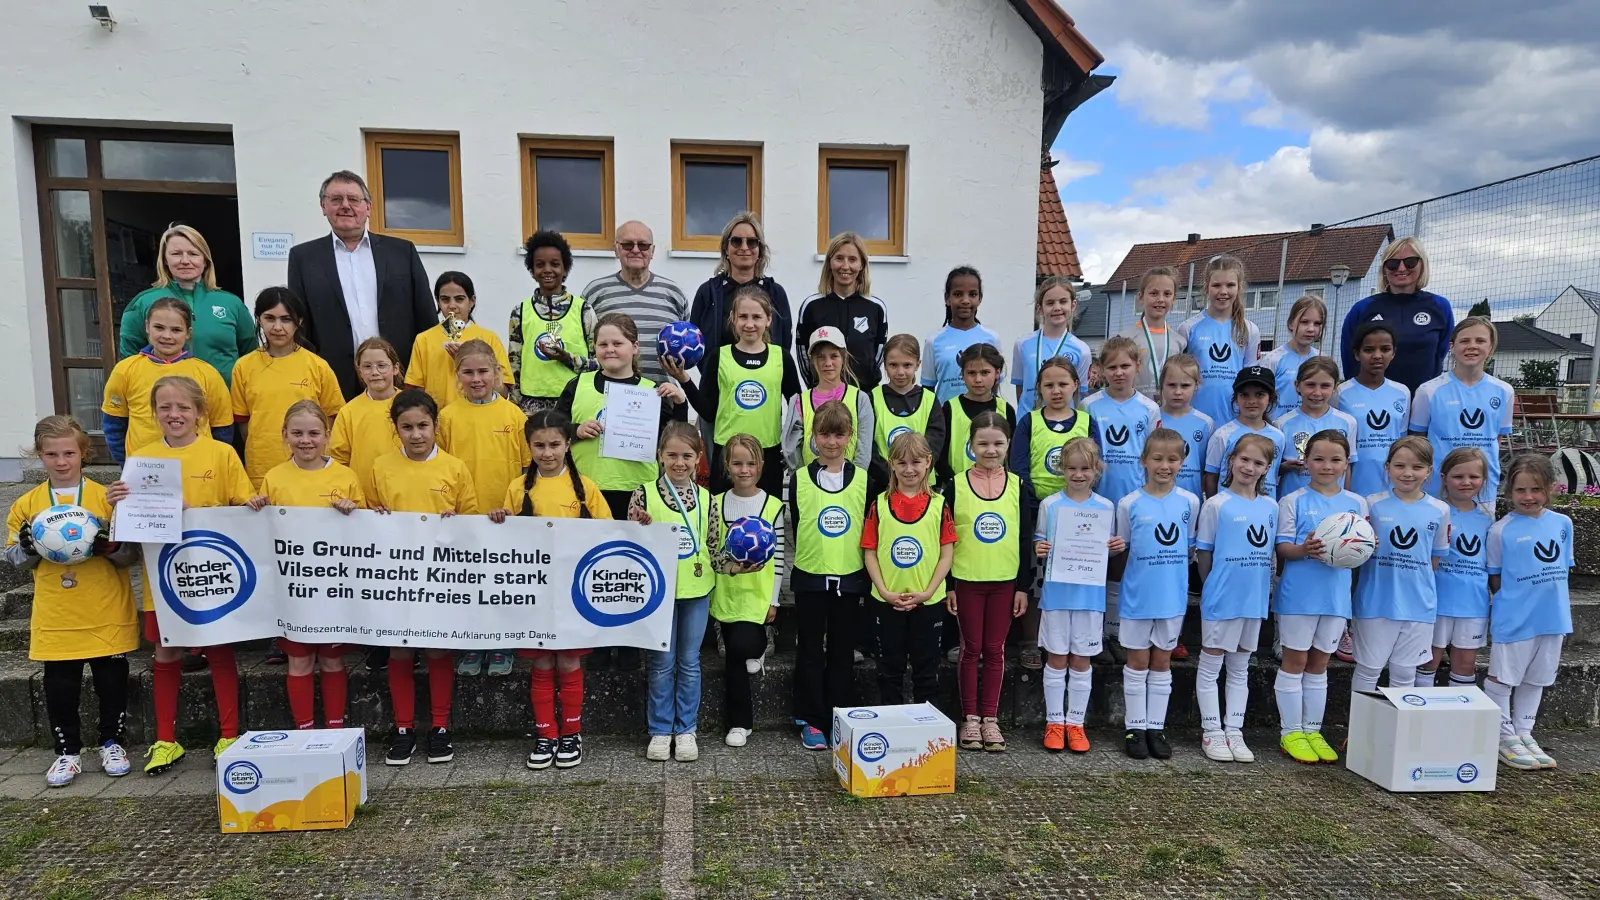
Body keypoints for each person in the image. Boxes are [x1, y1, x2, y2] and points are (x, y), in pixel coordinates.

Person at [105, 375, 253, 773]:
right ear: (154, 413)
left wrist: (238, 507)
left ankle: (229, 735)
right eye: (165, 407)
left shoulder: (221, 454)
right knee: (166, 652)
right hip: (163, 577)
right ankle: (166, 740)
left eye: (183, 407)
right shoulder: (142, 458)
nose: (174, 414)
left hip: (211, 574)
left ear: (200, 413)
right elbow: (130, 522)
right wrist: (116, 503)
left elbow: (242, 508)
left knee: (218, 647)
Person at [8, 416, 139, 786]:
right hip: (57, 613)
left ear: (83, 452)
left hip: (105, 607)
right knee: (61, 686)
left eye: (69, 453)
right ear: (39, 456)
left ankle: (112, 743)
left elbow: (131, 556)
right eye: (52, 454)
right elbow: (13, 559)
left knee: (111, 682)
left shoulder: (107, 498)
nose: (61, 461)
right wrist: (28, 548)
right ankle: (67, 752)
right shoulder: (26, 504)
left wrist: (112, 548)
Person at [488, 410, 611, 770]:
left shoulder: (585, 487)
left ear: (568, 444)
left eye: (554, 444)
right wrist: (499, 520)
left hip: (572, 594)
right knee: (541, 662)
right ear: (528, 446)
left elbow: (608, 533)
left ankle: (571, 733)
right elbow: (505, 541)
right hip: (534, 595)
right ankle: (546, 734)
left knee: (569, 661)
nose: (547, 452)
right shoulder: (518, 488)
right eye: (539, 445)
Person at [367, 389, 478, 766]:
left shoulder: (454, 467)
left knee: (437, 649)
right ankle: (403, 728)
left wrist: (457, 524)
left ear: (435, 425)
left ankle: (440, 727)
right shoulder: (381, 466)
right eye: (407, 427)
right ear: (395, 428)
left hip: (441, 576)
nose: (416, 434)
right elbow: (369, 515)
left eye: (423, 426)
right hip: (396, 575)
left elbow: (471, 519)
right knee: (400, 650)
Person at [246, 401, 363, 730]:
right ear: (285, 435)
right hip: (293, 589)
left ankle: (335, 728)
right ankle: (304, 729)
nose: (306, 440)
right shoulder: (274, 477)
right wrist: (257, 508)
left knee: (331, 658)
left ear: (327, 435)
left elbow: (366, 532)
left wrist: (352, 511)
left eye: (314, 433)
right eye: (297, 433)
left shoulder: (345, 476)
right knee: (299, 660)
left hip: (333, 587)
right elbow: (265, 531)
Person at [288, 171, 437, 400]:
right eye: (336, 199)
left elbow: (426, 316)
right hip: (332, 379)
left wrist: (424, 373)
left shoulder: (402, 252)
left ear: (368, 207)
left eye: (353, 199)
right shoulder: (303, 258)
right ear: (323, 206)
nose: (345, 206)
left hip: (399, 376)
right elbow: (300, 325)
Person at [789, 400, 881, 749]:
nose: (831, 442)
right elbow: (799, 525)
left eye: (839, 435)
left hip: (850, 578)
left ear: (850, 436)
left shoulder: (864, 480)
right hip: (810, 577)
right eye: (824, 434)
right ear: (814, 436)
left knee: (842, 651)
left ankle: (839, 715)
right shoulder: (799, 478)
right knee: (810, 650)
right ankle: (811, 719)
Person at [629, 422, 722, 763]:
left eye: (686, 456)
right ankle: (659, 730)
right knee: (662, 663)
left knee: (690, 662)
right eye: (672, 455)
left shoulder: (707, 498)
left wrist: (738, 565)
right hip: (659, 593)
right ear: (660, 456)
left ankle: (686, 730)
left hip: (696, 589)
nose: (679, 462)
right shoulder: (643, 494)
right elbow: (631, 544)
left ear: (698, 457)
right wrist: (638, 525)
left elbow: (714, 547)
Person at [437, 340, 530, 677]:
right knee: (468, 584)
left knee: (501, 584)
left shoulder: (513, 414)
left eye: (483, 371)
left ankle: (502, 644)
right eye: (468, 372)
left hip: (504, 515)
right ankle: (473, 644)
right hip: (464, 516)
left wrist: (517, 508)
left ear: (497, 373)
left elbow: (526, 467)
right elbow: (439, 466)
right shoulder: (447, 417)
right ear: (457, 375)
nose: (476, 379)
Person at [1273, 430, 1365, 764]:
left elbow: (1361, 546)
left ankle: (1313, 730)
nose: (1327, 466)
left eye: (1335, 459)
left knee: (1319, 664)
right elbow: (1282, 548)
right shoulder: (1293, 500)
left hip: (1336, 597)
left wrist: (1365, 547)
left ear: (1346, 463)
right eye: (1319, 459)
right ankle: (1290, 732)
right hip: (1299, 596)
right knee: (1295, 661)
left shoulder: (1357, 503)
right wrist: (1304, 549)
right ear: (1306, 462)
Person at [947, 413, 1035, 752]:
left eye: (998, 443)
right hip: (968, 579)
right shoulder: (956, 484)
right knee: (971, 649)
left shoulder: (1018, 486)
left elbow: (1025, 538)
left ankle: (990, 718)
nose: (990, 450)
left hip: (1004, 581)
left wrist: (1023, 587)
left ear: (1008, 444)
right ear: (971, 445)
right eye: (982, 443)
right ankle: (969, 717)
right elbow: (946, 539)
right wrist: (950, 585)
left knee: (995, 650)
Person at [1033, 437, 1124, 753]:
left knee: (1082, 660)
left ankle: (1076, 723)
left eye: (1085, 468)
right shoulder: (1050, 505)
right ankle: (1054, 722)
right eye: (1071, 468)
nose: (1078, 474)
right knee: (1057, 659)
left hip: (1089, 597)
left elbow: (1105, 551)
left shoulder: (1105, 507)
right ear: (1062, 469)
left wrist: (1115, 548)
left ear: (1097, 469)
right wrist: (1040, 548)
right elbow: (1040, 541)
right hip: (1058, 595)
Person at [1114, 428, 1199, 760]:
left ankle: (1156, 728)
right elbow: (1123, 546)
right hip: (1138, 597)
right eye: (1158, 459)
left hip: (1172, 598)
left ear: (1182, 462)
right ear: (1144, 460)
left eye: (1173, 460)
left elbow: (1189, 548)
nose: (1165, 466)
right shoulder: (1129, 504)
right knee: (1137, 662)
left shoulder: (1190, 502)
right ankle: (1134, 728)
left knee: (1162, 662)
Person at [1484, 453, 1572, 771]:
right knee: (1503, 677)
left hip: (1552, 616)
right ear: (1509, 491)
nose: (1528, 497)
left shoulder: (1563, 524)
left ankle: (1524, 732)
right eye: (1520, 490)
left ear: (1551, 488)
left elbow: (1563, 569)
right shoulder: (1500, 531)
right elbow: (1496, 577)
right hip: (1515, 618)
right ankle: (1502, 736)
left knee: (1537, 678)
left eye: (1536, 489)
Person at [1194, 433, 1277, 764]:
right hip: (1222, 598)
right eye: (1244, 459)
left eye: (1258, 463)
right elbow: (1204, 553)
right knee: (1211, 666)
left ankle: (1234, 730)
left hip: (1253, 600)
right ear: (1231, 460)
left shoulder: (1271, 507)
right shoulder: (1216, 505)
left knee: (1240, 668)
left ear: (1267, 468)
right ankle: (1211, 731)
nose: (1249, 467)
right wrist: (1212, 586)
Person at [1009, 356, 1096, 672]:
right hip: (1038, 512)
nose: (1056, 390)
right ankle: (1031, 641)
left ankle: (1072, 641)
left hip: (1076, 513)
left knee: (1071, 576)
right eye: (1049, 385)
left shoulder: (1087, 421)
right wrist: (1039, 503)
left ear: (1076, 385)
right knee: (1036, 578)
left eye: (1063, 384)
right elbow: (1019, 468)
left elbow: (1095, 464)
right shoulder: (1029, 422)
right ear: (1039, 388)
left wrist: (1076, 502)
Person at [670, 285, 799, 496]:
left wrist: (791, 447)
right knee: (723, 514)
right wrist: (684, 379)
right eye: (743, 317)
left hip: (767, 454)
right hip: (727, 455)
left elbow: (797, 408)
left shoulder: (782, 358)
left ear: (768, 320)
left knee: (768, 514)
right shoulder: (719, 357)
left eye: (756, 317)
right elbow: (708, 412)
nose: (749, 324)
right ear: (733, 319)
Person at [1351, 437, 1450, 698]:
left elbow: (1434, 559)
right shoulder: (1371, 504)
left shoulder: (1440, 510)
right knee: (1368, 670)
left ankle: (1399, 725)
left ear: (1429, 471)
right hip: (1375, 602)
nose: (1408, 473)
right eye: (1400, 466)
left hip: (1418, 605)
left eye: (1417, 467)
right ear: (1387, 467)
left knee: (1405, 674)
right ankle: (1361, 725)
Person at [564, 312, 689, 519]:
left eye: (617, 343)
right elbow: (553, 430)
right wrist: (576, 430)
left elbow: (673, 441)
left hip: (637, 491)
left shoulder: (653, 391)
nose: (610, 349)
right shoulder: (578, 385)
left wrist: (680, 404)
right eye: (603, 344)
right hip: (586, 489)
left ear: (635, 347)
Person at [863, 433, 954, 710]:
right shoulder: (879, 504)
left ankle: (926, 728)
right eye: (901, 463)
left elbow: (946, 555)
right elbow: (870, 553)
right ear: (891, 464)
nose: (909, 469)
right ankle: (892, 725)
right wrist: (884, 591)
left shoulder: (939, 504)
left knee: (927, 673)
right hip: (887, 602)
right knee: (889, 673)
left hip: (928, 603)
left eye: (916, 462)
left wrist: (927, 592)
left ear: (928, 462)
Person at [710, 435, 786, 747]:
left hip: (758, 597)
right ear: (727, 465)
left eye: (751, 463)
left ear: (761, 465)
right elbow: (712, 550)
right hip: (727, 595)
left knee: (741, 647)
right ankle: (740, 724)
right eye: (737, 463)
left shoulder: (773, 505)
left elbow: (779, 557)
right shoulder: (715, 503)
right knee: (734, 654)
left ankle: (762, 642)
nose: (744, 470)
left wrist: (774, 600)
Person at [229, 287, 344, 488]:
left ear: (299, 321)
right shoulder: (243, 366)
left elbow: (333, 418)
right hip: (262, 468)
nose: (277, 327)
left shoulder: (317, 366)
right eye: (269, 318)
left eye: (286, 319)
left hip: (310, 467)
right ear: (259, 319)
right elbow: (243, 423)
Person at [117, 224, 254, 385]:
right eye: (176, 254)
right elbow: (130, 360)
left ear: (205, 260)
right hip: (164, 398)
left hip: (223, 397)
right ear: (165, 260)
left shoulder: (232, 303)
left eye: (193, 254)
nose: (185, 261)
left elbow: (251, 357)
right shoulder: (143, 302)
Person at [102, 298, 232, 464]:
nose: (167, 336)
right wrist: (128, 464)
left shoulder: (207, 373)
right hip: (145, 468)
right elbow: (114, 425)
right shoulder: (125, 370)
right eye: (159, 327)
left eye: (176, 330)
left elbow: (222, 428)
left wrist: (214, 464)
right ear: (147, 326)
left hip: (197, 466)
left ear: (188, 333)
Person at [1410, 317, 1513, 503]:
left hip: (1482, 489)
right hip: (1437, 487)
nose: (1472, 346)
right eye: (1465, 341)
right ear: (1452, 347)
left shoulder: (1504, 391)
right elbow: (1418, 439)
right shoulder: (1428, 390)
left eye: (1480, 341)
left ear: (1491, 348)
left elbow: (1497, 438)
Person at [1339, 237, 1454, 394]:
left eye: (1410, 262)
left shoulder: (1440, 307)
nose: (1401, 268)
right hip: (1375, 399)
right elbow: (1349, 357)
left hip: (1423, 399)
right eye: (1393, 263)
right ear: (1384, 269)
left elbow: (1440, 353)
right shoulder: (1363, 309)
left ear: (1422, 264)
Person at [581, 221, 690, 385]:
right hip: (607, 394)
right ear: (616, 249)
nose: (636, 250)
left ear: (652, 251)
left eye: (643, 245)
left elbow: (686, 345)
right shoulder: (595, 292)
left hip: (662, 394)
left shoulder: (674, 293)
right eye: (628, 244)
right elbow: (583, 345)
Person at [1425, 448, 1492, 689]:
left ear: (1483, 479)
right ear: (1444, 478)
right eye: (1458, 476)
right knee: (1428, 660)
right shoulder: (1434, 512)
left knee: (1465, 664)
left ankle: (1459, 710)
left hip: (1473, 602)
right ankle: (1420, 707)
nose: (1466, 482)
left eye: (1473, 476)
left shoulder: (1488, 520)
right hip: (1437, 600)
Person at [689, 212, 793, 368]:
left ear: (760, 250)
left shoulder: (775, 293)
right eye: (736, 241)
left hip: (765, 379)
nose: (744, 247)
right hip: (718, 380)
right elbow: (695, 343)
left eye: (751, 242)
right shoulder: (708, 293)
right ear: (726, 249)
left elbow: (784, 345)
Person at [509, 231, 595, 416]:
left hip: (573, 402)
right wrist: (514, 404)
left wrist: (568, 359)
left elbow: (598, 361)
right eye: (540, 264)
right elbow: (514, 362)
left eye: (555, 264)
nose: (547, 270)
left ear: (565, 269)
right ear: (532, 271)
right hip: (531, 406)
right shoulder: (520, 312)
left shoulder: (583, 310)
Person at [406, 272, 513, 408]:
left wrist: (469, 360)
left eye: (459, 299)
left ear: (472, 301)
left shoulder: (489, 338)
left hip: (479, 413)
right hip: (439, 416)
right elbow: (415, 388)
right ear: (437, 301)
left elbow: (504, 392)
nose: (452, 305)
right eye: (445, 299)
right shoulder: (424, 339)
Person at [1176, 255, 1260, 428]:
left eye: (1230, 285)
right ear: (1206, 287)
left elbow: (1251, 378)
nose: (1223, 291)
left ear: (1239, 287)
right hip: (1195, 419)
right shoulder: (1188, 328)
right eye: (1216, 285)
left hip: (1234, 421)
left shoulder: (1250, 330)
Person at [795, 233, 887, 390]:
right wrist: (815, 387)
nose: (845, 266)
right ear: (829, 263)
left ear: (862, 265)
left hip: (864, 395)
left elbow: (878, 355)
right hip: (824, 397)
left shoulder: (876, 307)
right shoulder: (811, 306)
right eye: (839, 258)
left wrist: (866, 386)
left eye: (852, 259)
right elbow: (803, 354)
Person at [782, 327, 875, 472]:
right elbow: (793, 451)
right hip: (810, 482)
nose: (828, 363)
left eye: (834, 356)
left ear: (843, 357)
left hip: (849, 481)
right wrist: (805, 479)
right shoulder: (799, 401)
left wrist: (852, 480)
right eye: (821, 357)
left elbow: (864, 451)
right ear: (813, 360)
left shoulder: (860, 399)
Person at [1336, 322, 1408, 499]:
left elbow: (1403, 441)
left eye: (1385, 349)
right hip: (1354, 486)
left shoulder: (1402, 392)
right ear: (1357, 354)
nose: (1377, 356)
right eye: (1369, 350)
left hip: (1392, 488)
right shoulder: (1340, 393)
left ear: (1393, 353)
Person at [1084, 337, 1160, 504]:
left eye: (1125, 366)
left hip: (1136, 497)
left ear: (1138, 366)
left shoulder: (1150, 408)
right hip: (1096, 498)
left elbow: (1154, 454)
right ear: (1102, 369)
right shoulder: (1088, 405)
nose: (1119, 373)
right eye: (1112, 367)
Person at [1273, 357, 1357, 498]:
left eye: (1325, 386)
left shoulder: (1347, 422)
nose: (1317, 393)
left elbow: (1347, 467)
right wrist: (1284, 467)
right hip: (1293, 500)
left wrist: (1345, 498)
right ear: (1297, 385)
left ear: (1335, 388)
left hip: (1332, 501)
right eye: (1310, 385)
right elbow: (1272, 470)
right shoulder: (1281, 424)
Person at [932, 344, 1015, 484]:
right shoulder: (949, 408)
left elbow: (1012, 456)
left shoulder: (1006, 410)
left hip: (997, 489)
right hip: (958, 488)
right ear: (962, 374)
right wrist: (954, 483)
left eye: (985, 372)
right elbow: (939, 454)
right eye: (971, 373)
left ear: (997, 373)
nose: (978, 379)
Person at [1203, 366, 1286, 499]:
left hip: (1264, 507)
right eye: (1244, 394)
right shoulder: (1222, 435)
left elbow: (1273, 475)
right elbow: (1211, 476)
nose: (1251, 401)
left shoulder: (1279, 436)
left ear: (1270, 398)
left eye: (1259, 394)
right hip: (1229, 507)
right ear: (1236, 398)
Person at [922, 267, 1000, 405]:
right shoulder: (933, 341)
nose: (965, 300)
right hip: (946, 416)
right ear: (947, 298)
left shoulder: (992, 338)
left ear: (980, 298)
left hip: (983, 416)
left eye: (972, 294)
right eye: (958, 294)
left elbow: (995, 385)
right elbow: (928, 389)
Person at [1015, 276, 1093, 414]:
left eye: (1063, 301)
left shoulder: (1082, 350)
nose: (1057, 308)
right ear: (1040, 308)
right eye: (1050, 303)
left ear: (1073, 305)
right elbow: (1020, 388)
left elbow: (1079, 395)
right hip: (1028, 420)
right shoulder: (1022, 344)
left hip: (1064, 422)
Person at [1113, 267, 1187, 400]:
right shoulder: (1125, 338)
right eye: (1154, 293)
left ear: (1174, 299)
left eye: (1167, 294)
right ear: (1141, 297)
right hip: (1134, 408)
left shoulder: (1180, 341)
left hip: (1169, 408)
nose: (1160, 299)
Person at [871, 334, 936, 481]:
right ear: (884, 364)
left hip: (922, 484)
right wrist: (892, 476)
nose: (900, 372)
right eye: (893, 365)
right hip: (883, 483)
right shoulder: (872, 398)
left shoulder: (930, 400)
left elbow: (935, 444)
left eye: (907, 365)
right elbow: (869, 446)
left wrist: (915, 473)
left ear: (917, 365)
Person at [1155, 355, 1213, 502]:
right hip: (1156, 498)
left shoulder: (1205, 423)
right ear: (1162, 384)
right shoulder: (1153, 418)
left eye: (1185, 386)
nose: (1178, 392)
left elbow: (1207, 469)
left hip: (1192, 500)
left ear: (1196, 386)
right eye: (1171, 385)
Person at [1261, 295, 1326, 419]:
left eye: (1317, 323)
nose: (1311, 329)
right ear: (1291, 323)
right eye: (1304, 322)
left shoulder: (1323, 360)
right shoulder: (1273, 359)